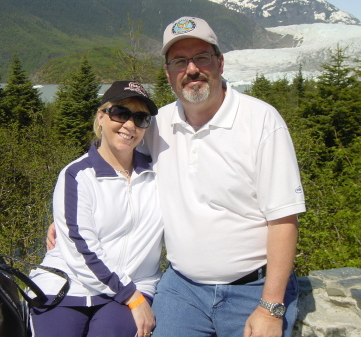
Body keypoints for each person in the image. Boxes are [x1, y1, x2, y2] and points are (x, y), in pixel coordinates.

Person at [49, 17, 306, 337]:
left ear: (220, 62)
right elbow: (117, 164)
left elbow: (284, 219)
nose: (192, 69)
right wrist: (69, 213)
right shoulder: (158, 124)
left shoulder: (261, 121)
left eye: (201, 57)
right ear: (169, 72)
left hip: (251, 290)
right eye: (180, 61)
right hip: (182, 289)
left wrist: (270, 307)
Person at [32, 81, 163, 337]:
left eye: (140, 118)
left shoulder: (158, 173)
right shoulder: (77, 175)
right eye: (120, 113)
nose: (129, 125)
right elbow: (81, 249)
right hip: (68, 283)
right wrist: (132, 297)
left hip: (134, 284)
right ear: (101, 117)